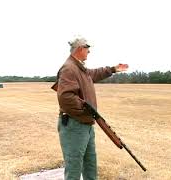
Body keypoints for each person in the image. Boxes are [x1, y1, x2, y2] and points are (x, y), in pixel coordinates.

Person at [53, 37, 128, 180]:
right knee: (74, 167)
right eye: (88, 49)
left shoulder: (79, 67)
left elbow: (93, 74)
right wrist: (86, 109)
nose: (89, 52)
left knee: (90, 164)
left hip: (86, 124)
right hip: (74, 125)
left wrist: (112, 69)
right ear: (80, 48)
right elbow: (66, 97)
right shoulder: (69, 68)